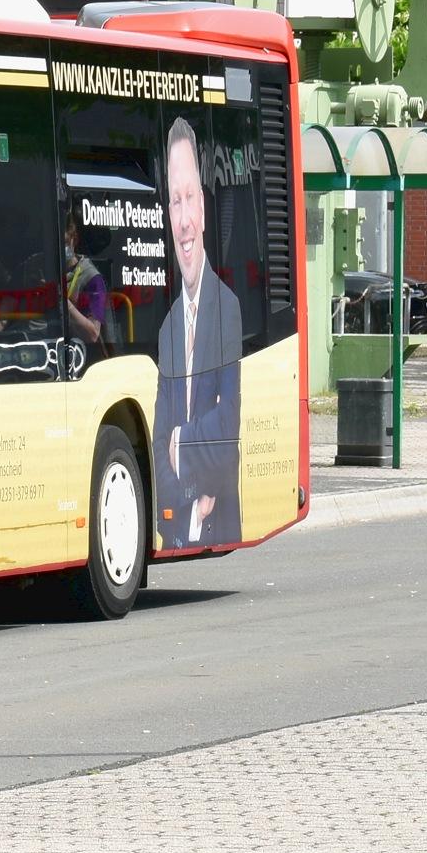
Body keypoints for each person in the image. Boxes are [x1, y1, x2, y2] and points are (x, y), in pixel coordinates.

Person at [153, 118, 244, 549]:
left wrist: (182, 443)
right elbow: (156, 445)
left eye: (190, 198)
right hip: (178, 527)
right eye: (175, 201)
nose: (184, 219)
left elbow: (228, 426)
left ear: (204, 212)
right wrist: (185, 499)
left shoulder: (227, 307)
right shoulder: (169, 324)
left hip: (219, 520)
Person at [62, 207, 111, 358]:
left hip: (74, 355)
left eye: (62, 242)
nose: (57, 249)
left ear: (74, 239)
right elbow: (2, 317)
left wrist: (63, 302)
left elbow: (92, 334)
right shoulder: (32, 268)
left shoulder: (92, 278)